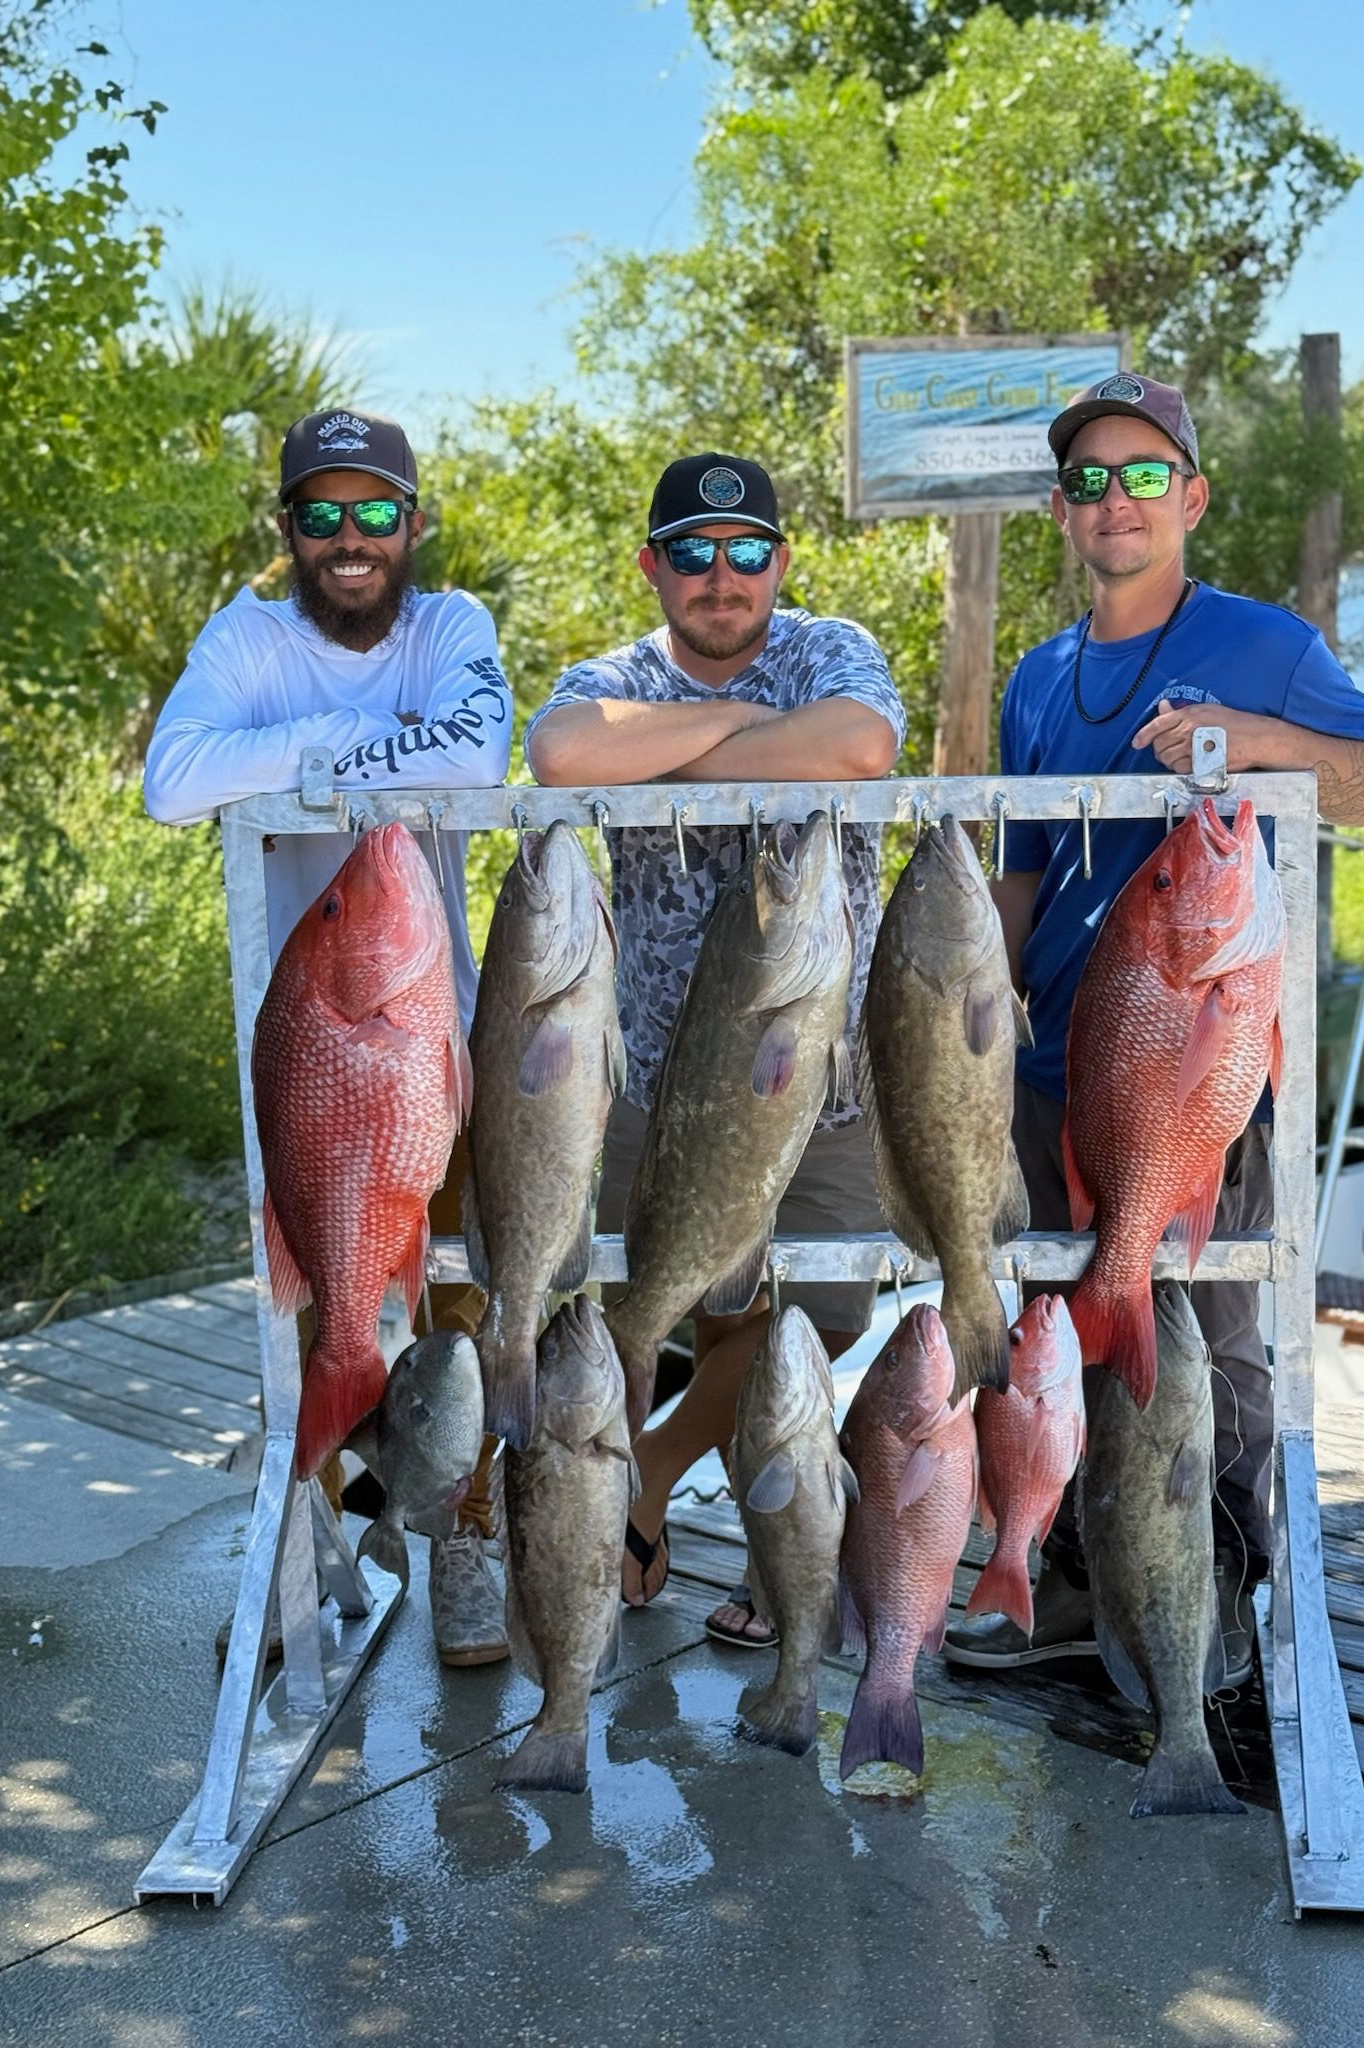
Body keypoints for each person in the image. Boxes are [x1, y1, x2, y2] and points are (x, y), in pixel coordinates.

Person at [943, 372, 1364, 1686]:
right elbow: (1023, 875)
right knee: (1062, 1347)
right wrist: (951, 1014)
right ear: (1060, 508)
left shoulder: (1269, 645)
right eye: (1090, 480)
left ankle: (1232, 1617)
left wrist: (1255, 737)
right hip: (1055, 1074)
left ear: (1193, 497)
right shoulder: (1040, 678)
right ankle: (1078, 1592)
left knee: (1215, 1354)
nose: (1117, 501)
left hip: (1201, 1072)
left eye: (1145, 474)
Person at [145, 407, 515, 1668]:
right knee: (299, 1317)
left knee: (460, 1301)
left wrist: (293, 771)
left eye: (373, 512)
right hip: (307, 1056)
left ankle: (461, 1542)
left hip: (428, 1048)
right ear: (289, 529)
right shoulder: (248, 638)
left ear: (412, 522)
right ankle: (298, 1557)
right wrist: (342, 754)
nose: (349, 539)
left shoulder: (450, 628)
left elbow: (474, 752)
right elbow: (169, 778)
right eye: (321, 514)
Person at [526, 452, 905, 1645]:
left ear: (783, 563)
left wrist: (683, 747)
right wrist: (750, 728)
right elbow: (563, 752)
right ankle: (724, 1547)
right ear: (654, 566)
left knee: (825, 1311)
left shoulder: (828, 645)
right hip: (659, 1074)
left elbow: (856, 746)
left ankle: (650, 1467)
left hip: (823, 1070)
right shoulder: (613, 672)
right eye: (692, 552)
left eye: (748, 550)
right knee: (698, 1307)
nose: (722, 575)